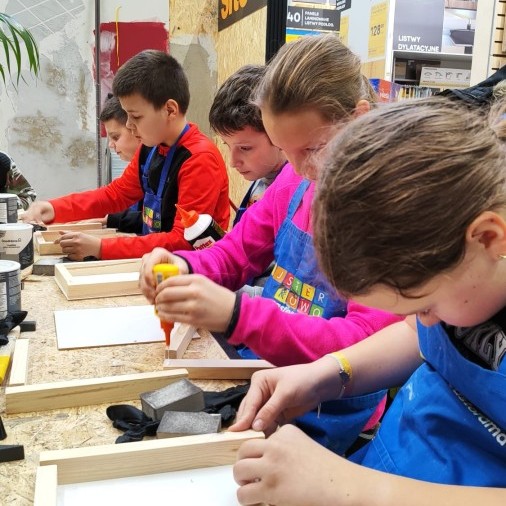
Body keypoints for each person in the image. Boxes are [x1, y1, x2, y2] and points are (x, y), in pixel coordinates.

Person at [230, 96, 506, 505]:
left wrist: (352, 487)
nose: (426, 320)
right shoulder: (466, 279)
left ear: (488, 238)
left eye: (424, 304)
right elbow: (416, 336)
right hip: (391, 465)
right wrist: (325, 375)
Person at [140, 34, 401, 454]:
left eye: (313, 148)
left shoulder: (390, 210)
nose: (298, 167)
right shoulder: (296, 177)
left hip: (332, 410)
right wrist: (184, 266)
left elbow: (365, 344)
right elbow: (237, 253)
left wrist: (239, 315)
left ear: (359, 119)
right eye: (283, 149)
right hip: (265, 375)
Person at [20, 50, 230, 260]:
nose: (129, 125)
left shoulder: (199, 159)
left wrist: (101, 248)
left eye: (135, 116)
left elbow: (182, 241)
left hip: (194, 270)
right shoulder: (151, 148)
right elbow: (115, 195)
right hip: (156, 262)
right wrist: (53, 208)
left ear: (170, 110)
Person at [209, 64, 286, 296]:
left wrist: (227, 299)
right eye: (227, 146)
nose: (233, 162)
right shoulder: (260, 181)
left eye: (245, 148)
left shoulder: (291, 191)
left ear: (277, 133)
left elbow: (285, 294)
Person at [98, 94, 143, 233]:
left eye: (115, 137)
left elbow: (157, 223)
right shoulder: (141, 165)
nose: (111, 145)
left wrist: (111, 220)